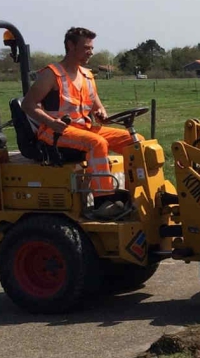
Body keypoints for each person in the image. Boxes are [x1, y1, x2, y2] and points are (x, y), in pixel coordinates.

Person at [22, 27, 139, 220]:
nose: (91, 52)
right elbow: (28, 105)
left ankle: (134, 193)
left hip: (84, 129)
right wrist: (52, 122)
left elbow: (96, 106)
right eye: (86, 48)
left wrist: (101, 113)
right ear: (70, 46)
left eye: (91, 48)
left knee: (135, 141)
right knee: (97, 143)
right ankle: (103, 202)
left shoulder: (87, 75)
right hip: (55, 132)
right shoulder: (51, 74)